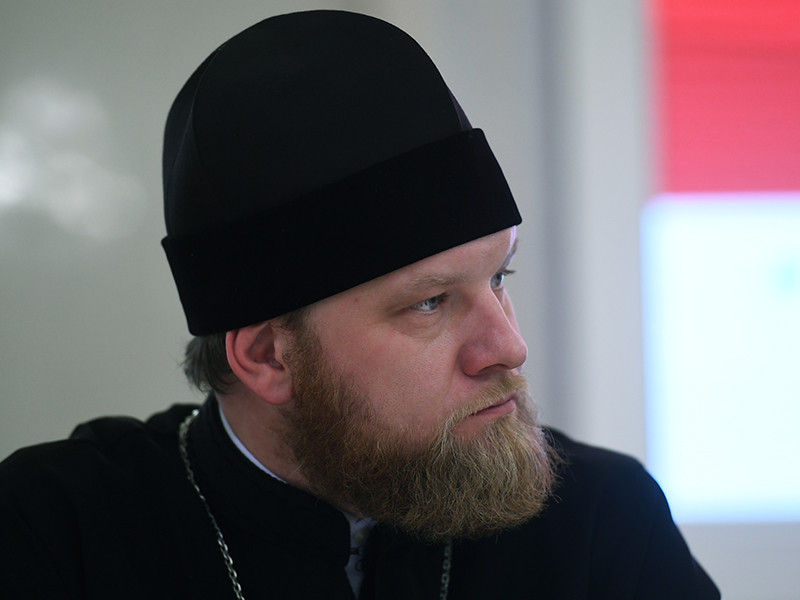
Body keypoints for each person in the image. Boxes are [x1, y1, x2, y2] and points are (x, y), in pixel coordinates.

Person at [0, 10, 719, 599]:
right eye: (430, 303)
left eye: (499, 277)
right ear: (268, 356)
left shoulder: (602, 519)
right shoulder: (54, 534)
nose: (507, 346)